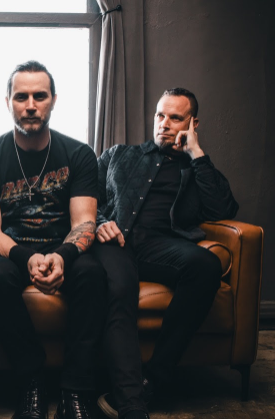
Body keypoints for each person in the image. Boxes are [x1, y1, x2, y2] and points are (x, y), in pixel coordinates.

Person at [94, 88, 239, 419]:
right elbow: (88, 197)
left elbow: (223, 208)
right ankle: (128, 396)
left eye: (175, 118)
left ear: (192, 124)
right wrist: (101, 223)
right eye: (161, 115)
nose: (164, 123)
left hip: (161, 245)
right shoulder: (118, 154)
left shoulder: (197, 168)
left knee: (206, 265)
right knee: (120, 287)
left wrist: (196, 153)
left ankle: (153, 380)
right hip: (116, 242)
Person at [0, 60, 106, 419]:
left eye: (40, 96)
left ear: (54, 100)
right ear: (8, 102)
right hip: (12, 250)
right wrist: (24, 257)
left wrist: (62, 256)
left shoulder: (78, 154)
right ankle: (31, 383)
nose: (31, 105)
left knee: (93, 274)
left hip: (62, 246)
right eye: (21, 97)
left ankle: (75, 391)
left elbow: (85, 223)